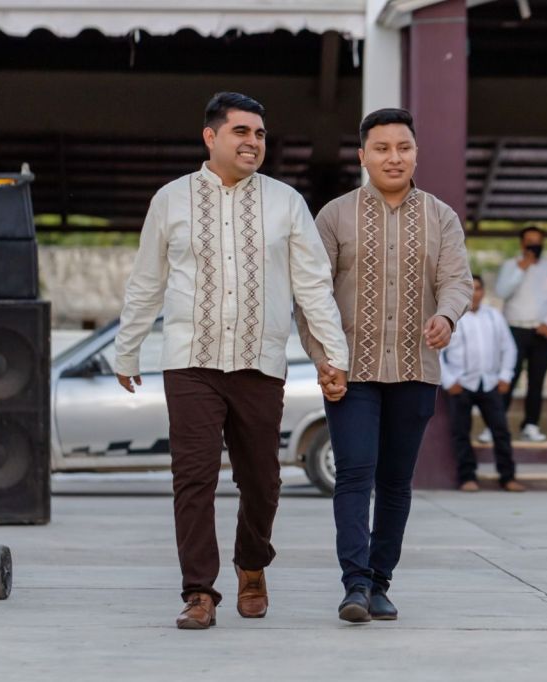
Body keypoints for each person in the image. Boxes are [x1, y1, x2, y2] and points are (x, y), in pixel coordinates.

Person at [114, 92, 349, 630]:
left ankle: (252, 565)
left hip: (258, 362)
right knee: (193, 478)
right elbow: (146, 281)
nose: (253, 142)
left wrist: (333, 355)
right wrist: (128, 348)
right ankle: (199, 591)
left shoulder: (286, 202)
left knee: (262, 480)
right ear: (211, 137)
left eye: (260, 134)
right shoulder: (170, 199)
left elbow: (313, 285)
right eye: (241, 131)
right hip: (190, 360)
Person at [297, 107, 472, 623]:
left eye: (403, 147)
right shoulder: (334, 216)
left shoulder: (441, 216)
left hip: (415, 368)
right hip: (351, 371)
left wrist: (447, 316)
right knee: (354, 473)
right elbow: (311, 294)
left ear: (416, 153)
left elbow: (457, 280)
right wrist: (323, 359)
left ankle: (379, 582)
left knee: (395, 482)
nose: (393, 157)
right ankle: (354, 584)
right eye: (382, 148)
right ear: (363, 156)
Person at [440, 274, 524, 492]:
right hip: (461, 384)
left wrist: (505, 376)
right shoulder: (451, 317)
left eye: (478, 288)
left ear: (483, 292)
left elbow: (509, 348)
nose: (474, 293)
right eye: (470, 288)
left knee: (501, 431)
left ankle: (508, 477)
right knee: (461, 432)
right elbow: (437, 352)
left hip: (489, 383)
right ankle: (467, 478)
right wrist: (449, 380)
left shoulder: (494, 316)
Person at [495, 226, 547, 442]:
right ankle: (496, 424)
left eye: (537, 242)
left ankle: (531, 424)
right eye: (529, 242)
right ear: (522, 244)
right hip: (514, 330)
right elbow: (502, 292)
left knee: (537, 380)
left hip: (542, 331)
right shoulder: (510, 265)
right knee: (508, 377)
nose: (533, 246)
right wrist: (521, 268)